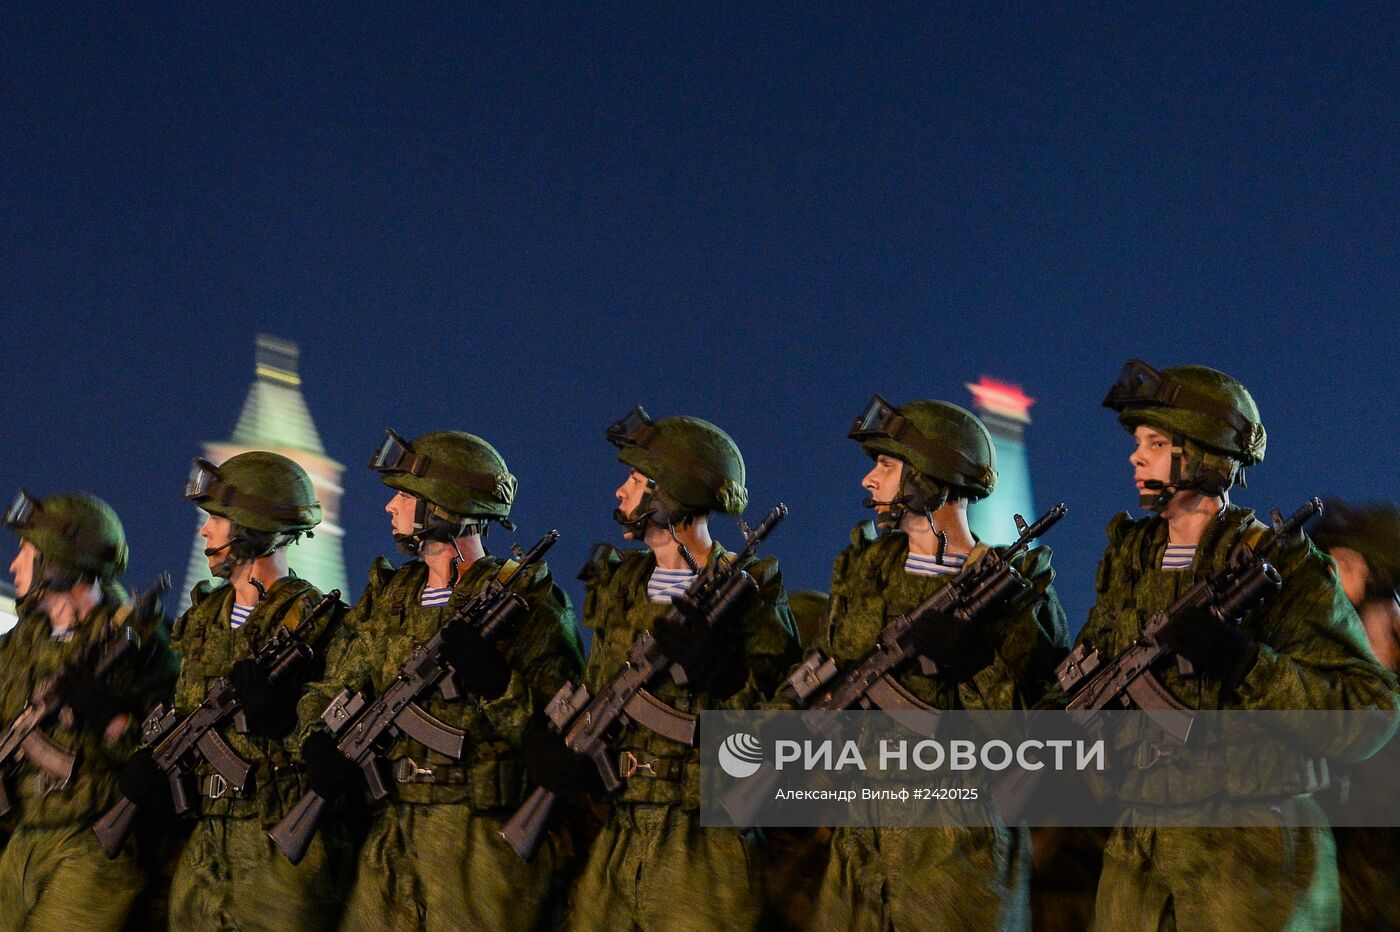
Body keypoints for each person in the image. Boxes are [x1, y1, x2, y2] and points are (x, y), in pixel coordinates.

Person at [1081, 360, 1399, 930]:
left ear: (1206, 452)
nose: (1136, 456)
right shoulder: (1127, 563)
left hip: (1248, 850)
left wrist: (1246, 664)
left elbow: (1367, 712)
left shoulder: (1284, 565)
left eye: (1156, 442)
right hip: (1139, 849)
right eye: (1137, 442)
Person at [299, 429, 582, 931]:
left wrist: (499, 686)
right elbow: (335, 685)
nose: (391, 507)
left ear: (443, 506)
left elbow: (561, 733)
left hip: (479, 843)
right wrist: (317, 739)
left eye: (406, 495)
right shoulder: (388, 597)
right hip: (392, 835)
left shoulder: (526, 602)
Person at [528, 406, 799, 932]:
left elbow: (789, 731)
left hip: (705, 845)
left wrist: (730, 680)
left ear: (671, 491)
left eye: (635, 479)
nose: (621, 492)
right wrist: (550, 740)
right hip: (617, 834)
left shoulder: (748, 590)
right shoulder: (621, 585)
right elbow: (595, 687)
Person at [808, 396, 1068, 931]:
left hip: (959, 841)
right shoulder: (862, 572)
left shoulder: (1015, 591)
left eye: (886, 465)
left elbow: (1040, 735)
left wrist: (976, 663)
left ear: (930, 476)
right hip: (860, 836)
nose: (868, 481)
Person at [119, 452, 350, 930]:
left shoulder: (317, 620)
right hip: (205, 844)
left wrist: (285, 717)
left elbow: (336, 735)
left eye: (217, 519)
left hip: (276, 841)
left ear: (250, 525)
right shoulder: (203, 617)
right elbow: (182, 708)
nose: (206, 532)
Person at [0, 490, 176, 928]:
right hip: (23, 841)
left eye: (27, 551)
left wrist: (114, 721)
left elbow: (169, 758)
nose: (14, 566)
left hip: (94, 845)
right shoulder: (20, 644)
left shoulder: (141, 648)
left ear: (58, 564)